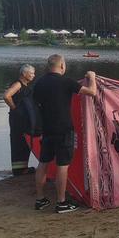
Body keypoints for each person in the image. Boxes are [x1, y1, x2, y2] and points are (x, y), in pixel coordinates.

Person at [33, 54, 97, 213]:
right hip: (63, 130)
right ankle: (61, 202)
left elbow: (37, 106)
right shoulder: (66, 81)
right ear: (61, 65)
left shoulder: (39, 83)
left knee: (43, 163)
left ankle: (40, 199)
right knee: (62, 165)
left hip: (47, 130)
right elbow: (92, 92)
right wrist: (92, 77)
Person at [3, 64, 36, 176]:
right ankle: (18, 171)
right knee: (18, 142)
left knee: (24, 142)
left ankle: (23, 169)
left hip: (22, 120)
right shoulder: (18, 84)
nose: (33, 75)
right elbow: (7, 96)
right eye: (31, 73)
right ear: (24, 74)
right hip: (17, 120)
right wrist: (15, 109)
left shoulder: (26, 86)